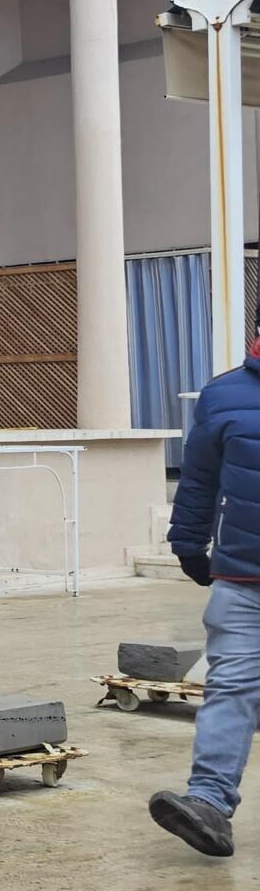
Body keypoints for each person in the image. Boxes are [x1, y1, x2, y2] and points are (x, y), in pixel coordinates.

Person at [150, 342, 260, 858]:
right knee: (230, 689)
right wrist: (188, 543)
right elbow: (198, 480)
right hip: (242, 580)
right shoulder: (224, 394)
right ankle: (209, 805)